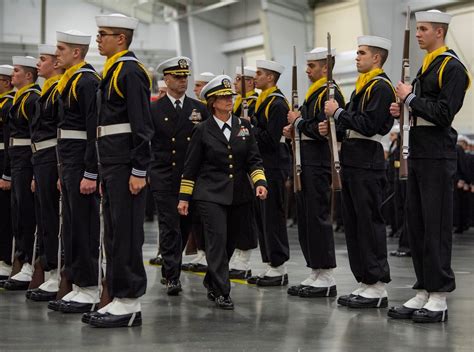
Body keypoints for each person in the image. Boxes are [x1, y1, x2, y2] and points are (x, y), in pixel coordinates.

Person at [388, 10, 470, 323]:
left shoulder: (453, 67)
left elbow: (444, 113)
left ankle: (440, 293)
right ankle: (423, 287)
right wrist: (403, 108)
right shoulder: (428, 65)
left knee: (435, 225)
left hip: (437, 154)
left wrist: (410, 99)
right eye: (418, 29)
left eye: (423, 29)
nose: (418, 34)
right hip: (419, 152)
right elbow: (422, 109)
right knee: (417, 224)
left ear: (439, 31)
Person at [82, 13, 154, 328]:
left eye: (103, 34)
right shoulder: (111, 71)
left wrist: (139, 169)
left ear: (120, 39)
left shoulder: (131, 72)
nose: (98, 40)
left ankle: (130, 301)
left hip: (126, 165)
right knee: (112, 234)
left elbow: (142, 127)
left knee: (126, 234)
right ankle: (117, 298)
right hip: (112, 164)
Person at [177, 74, 268, 309]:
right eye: (223, 97)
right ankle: (221, 291)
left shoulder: (244, 126)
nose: (229, 100)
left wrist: (260, 182)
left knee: (230, 242)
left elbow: (254, 160)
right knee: (216, 241)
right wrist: (184, 197)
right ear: (212, 102)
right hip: (210, 194)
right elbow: (191, 166)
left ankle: (212, 278)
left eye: (230, 96)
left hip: (239, 194)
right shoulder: (202, 130)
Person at [322, 35, 395, 308]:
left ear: (376, 58)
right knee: (353, 224)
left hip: (368, 161)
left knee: (368, 222)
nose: (357, 57)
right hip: (354, 160)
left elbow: (369, 124)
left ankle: (377, 284)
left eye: (362, 53)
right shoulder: (362, 87)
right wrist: (332, 126)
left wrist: (339, 113)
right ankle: (365, 280)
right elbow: (351, 125)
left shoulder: (380, 87)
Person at [48, 29, 101, 313]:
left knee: (85, 225)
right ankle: (79, 283)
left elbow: (94, 129)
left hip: (81, 161)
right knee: (70, 226)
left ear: (76, 53)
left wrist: (91, 172)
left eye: (61, 49)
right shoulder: (68, 81)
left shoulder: (87, 82)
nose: (58, 54)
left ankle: (91, 286)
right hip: (69, 161)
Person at [285, 47, 345, 298]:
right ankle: (316, 269)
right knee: (306, 217)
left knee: (318, 216)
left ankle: (327, 273)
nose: (308, 70)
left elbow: (324, 129)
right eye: (307, 66)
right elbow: (313, 127)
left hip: (319, 161)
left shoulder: (330, 93)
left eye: (312, 66)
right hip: (305, 159)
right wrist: (295, 130)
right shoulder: (315, 92)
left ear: (325, 67)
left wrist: (299, 123)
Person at [149, 56, 209, 295]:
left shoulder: (199, 109)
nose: (183, 81)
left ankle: (172, 264)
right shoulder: (154, 108)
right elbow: (147, 142)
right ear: (167, 79)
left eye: (185, 77)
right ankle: (172, 274)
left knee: (185, 226)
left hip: (190, 176)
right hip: (164, 175)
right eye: (177, 77)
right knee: (169, 225)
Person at [247, 59, 290, 287]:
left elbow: (271, 140)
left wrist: (249, 128)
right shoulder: (262, 101)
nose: (255, 76)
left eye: (259, 73)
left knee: (272, 216)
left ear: (270, 78)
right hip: (261, 166)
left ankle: (279, 265)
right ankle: (270, 263)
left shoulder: (277, 104)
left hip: (273, 166)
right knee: (262, 217)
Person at [27, 44, 64, 301]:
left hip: (54, 157)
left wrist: (61, 170)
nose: (38, 64)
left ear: (57, 64)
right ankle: (50, 267)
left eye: (43, 59)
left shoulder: (59, 89)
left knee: (53, 217)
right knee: (44, 215)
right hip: (41, 158)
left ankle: (57, 271)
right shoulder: (47, 90)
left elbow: (62, 131)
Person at [2, 56, 40, 291]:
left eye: (16, 71)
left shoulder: (32, 98)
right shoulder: (20, 98)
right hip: (17, 158)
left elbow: (35, 133)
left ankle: (27, 262)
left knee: (26, 213)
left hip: (27, 159)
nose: (12, 75)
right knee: (17, 212)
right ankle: (20, 258)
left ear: (28, 76)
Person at [229, 64, 259, 279]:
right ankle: (238, 251)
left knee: (247, 214)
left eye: (239, 79)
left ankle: (244, 256)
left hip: (251, 163)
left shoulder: (255, 104)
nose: (235, 82)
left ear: (249, 83)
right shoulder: (238, 103)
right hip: (236, 164)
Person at [0, 65, 14, 284]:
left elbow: (10, 138)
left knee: (5, 214)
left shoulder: (10, 103)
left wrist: (6, 172)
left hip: (4, 158)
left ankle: (6, 259)